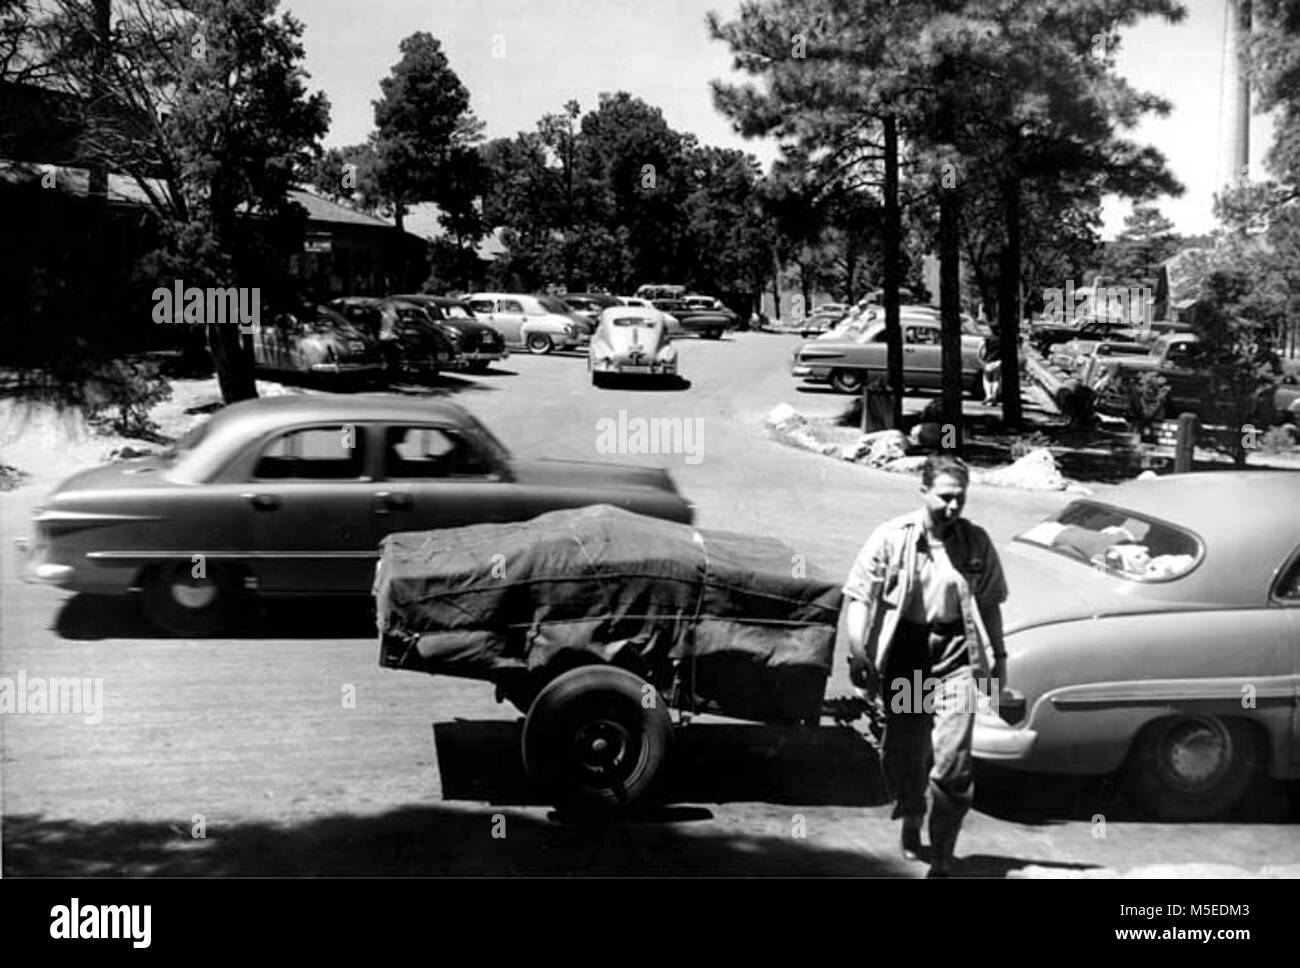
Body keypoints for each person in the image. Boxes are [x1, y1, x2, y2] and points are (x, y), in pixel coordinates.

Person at [842, 455, 1008, 877]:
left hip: (956, 655)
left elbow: (989, 603)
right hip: (909, 656)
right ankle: (912, 817)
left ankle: (943, 851)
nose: (954, 508)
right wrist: (859, 648)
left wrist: (999, 657)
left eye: (961, 499)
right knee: (907, 750)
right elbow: (862, 596)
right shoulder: (892, 537)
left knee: (953, 761)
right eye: (946, 498)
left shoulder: (975, 543)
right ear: (924, 492)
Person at [979, 325, 1002, 405]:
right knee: (996, 380)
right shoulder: (1002, 340)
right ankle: (994, 396)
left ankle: (988, 395)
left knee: (986, 379)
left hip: (988, 361)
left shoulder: (987, 339)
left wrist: (982, 359)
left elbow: (981, 350)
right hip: (998, 361)